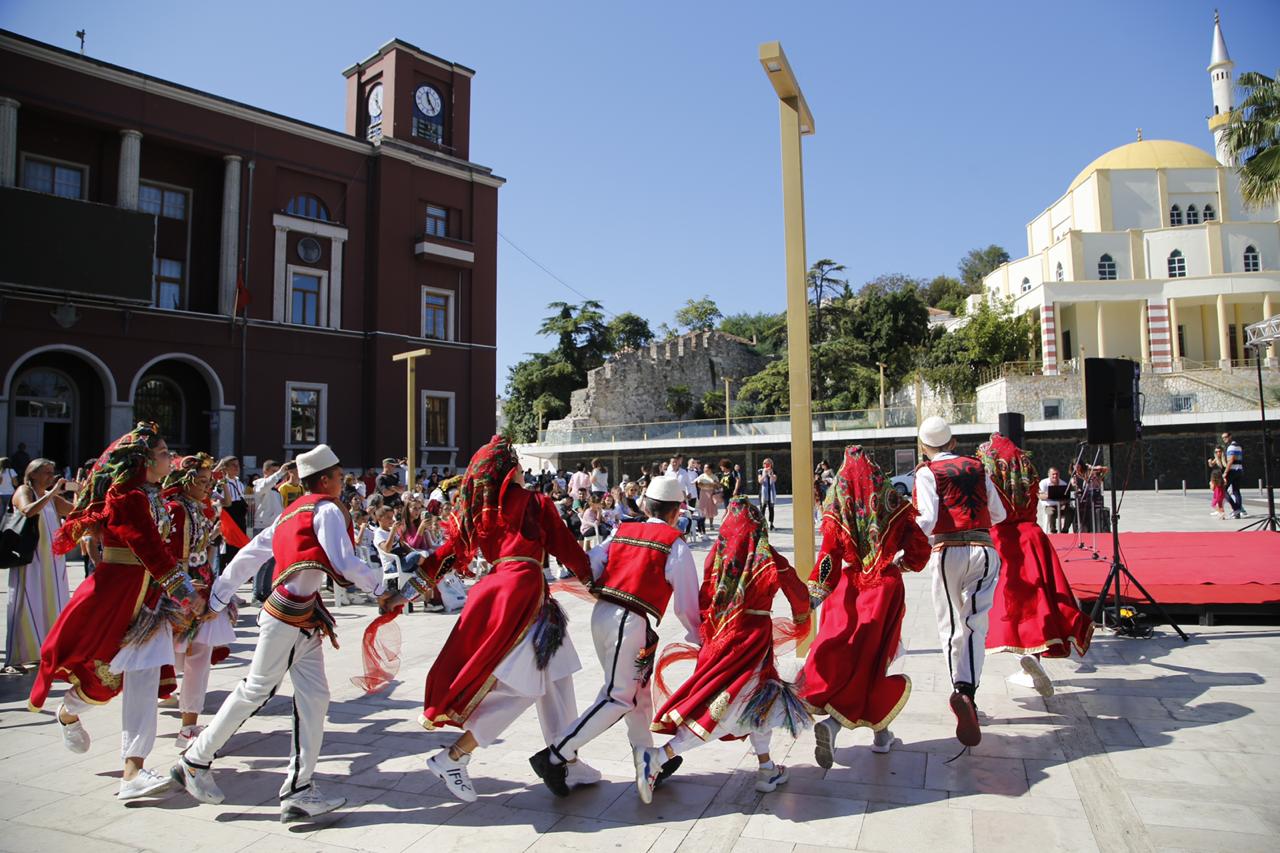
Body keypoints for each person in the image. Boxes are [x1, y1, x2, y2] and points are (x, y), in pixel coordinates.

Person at [171, 444, 387, 822]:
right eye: (339, 476)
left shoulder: (290, 513)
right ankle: (195, 759)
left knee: (315, 698)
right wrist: (380, 590)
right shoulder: (325, 509)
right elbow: (344, 561)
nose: (343, 481)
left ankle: (300, 789)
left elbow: (249, 555)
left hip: (299, 615)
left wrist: (219, 598)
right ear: (325, 480)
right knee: (257, 689)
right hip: (291, 614)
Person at [380, 436, 598, 803]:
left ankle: (567, 758)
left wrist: (402, 597)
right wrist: (598, 582)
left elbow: (442, 558)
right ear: (512, 470)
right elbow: (566, 546)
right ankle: (454, 756)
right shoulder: (535, 502)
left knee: (556, 676)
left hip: (498, 593)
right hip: (523, 595)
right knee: (523, 686)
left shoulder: (478, 513)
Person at [31, 422, 203, 801]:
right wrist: (185, 591)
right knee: (103, 680)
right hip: (118, 595)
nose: (169, 459)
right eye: (162, 454)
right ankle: (68, 712)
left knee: (140, 680)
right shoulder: (126, 497)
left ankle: (133, 771)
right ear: (143, 460)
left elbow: (166, 550)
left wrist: (187, 583)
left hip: (150, 600)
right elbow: (146, 546)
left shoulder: (154, 495)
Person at [530, 476, 701, 797]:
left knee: (636, 697)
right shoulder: (674, 543)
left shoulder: (621, 531)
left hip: (603, 614)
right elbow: (687, 600)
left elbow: (592, 565)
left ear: (646, 504)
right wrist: (699, 635)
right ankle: (556, 755)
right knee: (619, 696)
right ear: (677, 511)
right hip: (631, 620)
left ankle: (648, 763)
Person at [641, 497, 810, 801]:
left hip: (722, 636)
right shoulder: (766, 555)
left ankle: (766, 767)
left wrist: (708, 632)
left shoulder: (717, 557)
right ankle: (660, 755)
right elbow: (795, 589)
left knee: (761, 704)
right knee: (725, 709)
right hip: (750, 642)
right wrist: (804, 613)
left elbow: (705, 596)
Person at [802, 446, 931, 767]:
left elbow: (829, 555)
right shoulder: (891, 499)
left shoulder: (836, 501)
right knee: (875, 662)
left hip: (847, 590)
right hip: (885, 588)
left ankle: (878, 733)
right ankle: (843, 727)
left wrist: (813, 594)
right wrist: (903, 566)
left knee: (849, 659)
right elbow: (918, 548)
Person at [912, 416, 1006, 747]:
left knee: (950, 625)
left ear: (924, 447)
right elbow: (999, 515)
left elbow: (926, 517)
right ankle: (970, 692)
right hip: (985, 549)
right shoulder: (979, 467)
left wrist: (903, 547)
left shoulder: (926, 472)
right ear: (952, 442)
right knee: (975, 625)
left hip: (947, 549)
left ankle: (959, 692)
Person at [978, 434, 1093, 698]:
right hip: (1033, 536)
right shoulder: (1026, 466)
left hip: (1004, 538)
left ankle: (981, 672)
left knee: (1006, 604)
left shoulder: (988, 467)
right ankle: (1034, 662)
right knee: (1041, 600)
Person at [164, 454, 237, 746]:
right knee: (164, 656)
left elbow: (202, 551)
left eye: (210, 482)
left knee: (199, 655)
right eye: (203, 482)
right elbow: (167, 553)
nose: (209, 488)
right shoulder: (176, 510)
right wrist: (181, 586)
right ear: (186, 481)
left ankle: (189, 724)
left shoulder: (199, 509)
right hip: (180, 591)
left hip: (203, 586)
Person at [5, 458, 74, 672]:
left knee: (51, 603)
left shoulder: (49, 496)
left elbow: (74, 510)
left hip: (51, 562)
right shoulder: (24, 491)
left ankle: (42, 651)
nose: (50, 476)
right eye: (46, 472)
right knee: (25, 603)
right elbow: (27, 511)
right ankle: (15, 660)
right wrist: (53, 493)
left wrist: (83, 489)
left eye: (52, 472)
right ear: (33, 474)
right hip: (30, 560)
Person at [251, 460, 293, 603]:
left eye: (279, 472)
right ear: (266, 472)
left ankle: (266, 591)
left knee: (272, 561)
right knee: (261, 562)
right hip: (262, 527)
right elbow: (267, 484)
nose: (278, 475)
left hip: (274, 527)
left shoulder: (276, 489)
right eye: (274, 471)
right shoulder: (259, 484)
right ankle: (256, 595)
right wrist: (280, 472)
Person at [214, 456, 248, 570]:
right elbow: (217, 501)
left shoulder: (240, 483)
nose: (237, 467)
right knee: (226, 552)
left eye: (238, 465)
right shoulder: (221, 483)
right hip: (228, 520)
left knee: (238, 550)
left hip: (239, 520)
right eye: (233, 465)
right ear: (225, 468)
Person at [1039, 467, 1069, 533]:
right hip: (1049, 506)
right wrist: (1052, 495)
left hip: (1061, 506)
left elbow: (1067, 497)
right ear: (1049, 474)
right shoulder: (1043, 483)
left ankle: (1065, 531)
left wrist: (1064, 501)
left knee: (1071, 511)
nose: (1055, 476)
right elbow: (1040, 496)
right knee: (1051, 513)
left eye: (1057, 474)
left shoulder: (1063, 484)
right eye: (1053, 474)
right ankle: (1053, 532)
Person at [1223, 432, 1246, 519]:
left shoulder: (1231, 447)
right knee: (1236, 491)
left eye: (1225, 437)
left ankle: (1236, 509)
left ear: (1230, 437)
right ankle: (1238, 513)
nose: (1224, 439)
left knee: (1223, 489)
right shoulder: (1239, 446)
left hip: (1232, 471)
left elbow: (1231, 460)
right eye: (1223, 438)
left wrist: (1225, 473)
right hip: (1239, 470)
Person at [757, 458, 778, 530]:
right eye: (765, 463)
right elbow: (760, 481)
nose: (766, 465)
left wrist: (770, 474)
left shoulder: (773, 471)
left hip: (771, 492)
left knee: (771, 508)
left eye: (768, 463)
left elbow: (774, 480)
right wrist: (764, 474)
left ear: (771, 464)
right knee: (762, 508)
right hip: (763, 493)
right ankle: (762, 524)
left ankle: (771, 524)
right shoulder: (760, 471)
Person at [1208, 449, 1228, 520]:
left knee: (1213, 504)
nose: (1218, 453)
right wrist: (1210, 462)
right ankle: (1222, 515)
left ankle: (1221, 512)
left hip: (1217, 493)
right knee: (1220, 505)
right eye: (1216, 452)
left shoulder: (1224, 459)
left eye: (1219, 451)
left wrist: (1211, 484)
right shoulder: (1216, 459)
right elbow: (1211, 464)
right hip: (1221, 491)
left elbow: (1212, 488)